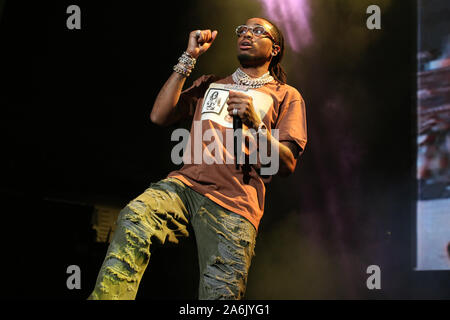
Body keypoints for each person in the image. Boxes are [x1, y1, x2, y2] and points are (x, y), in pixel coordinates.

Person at [88, 17, 307, 300]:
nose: (246, 35)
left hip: (234, 204)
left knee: (220, 296)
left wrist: (257, 124)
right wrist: (189, 57)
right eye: (242, 30)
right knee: (135, 216)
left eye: (257, 31)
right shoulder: (211, 84)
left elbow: (287, 164)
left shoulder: (286, 95)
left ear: (275, 49)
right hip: (184, 187)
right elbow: (160, 115)